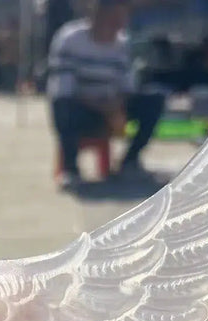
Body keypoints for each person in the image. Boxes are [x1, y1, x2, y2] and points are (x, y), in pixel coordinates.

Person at [46, 0, 165, 190]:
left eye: (121, 21)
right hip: (81, 107)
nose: (118, 26)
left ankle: (129, 161)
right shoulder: (69, 39)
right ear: (97, 16)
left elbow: (127, 86)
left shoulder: (122, 43)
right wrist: (106, 109)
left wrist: (117, 107)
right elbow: (64, 88)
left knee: (155, 98)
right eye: (113, 20)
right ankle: (70, 169)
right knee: (62, 105)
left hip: (112, 105)